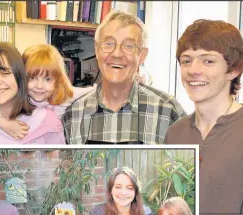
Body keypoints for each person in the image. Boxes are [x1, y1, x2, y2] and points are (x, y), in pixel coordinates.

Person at [164, 19, 243, 214]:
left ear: (234, 70)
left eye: (208, 61)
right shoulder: (175, 133)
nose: (193, 70)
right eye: (186, 60)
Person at [63, 11, 186, 144]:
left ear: (142, 55)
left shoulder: (169, 112)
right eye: (109, 44)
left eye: (129, 46)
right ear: (97, 50)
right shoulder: (72, 116)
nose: (117, 54)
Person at [0, 44, 96, 139]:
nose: (39, 86)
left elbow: (93, 90)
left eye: (48, 79)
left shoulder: (64, 95)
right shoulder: (16, 95)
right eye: (32, 78)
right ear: (21, 77)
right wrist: (4, 125)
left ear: (58, 80)